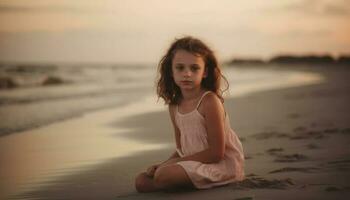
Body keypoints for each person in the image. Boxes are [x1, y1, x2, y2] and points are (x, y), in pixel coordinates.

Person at [135, 36, 245, 192]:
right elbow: (181, 149)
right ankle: (176, 181)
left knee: (164, 175)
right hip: (192, 163)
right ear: (171, 72)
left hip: (221, 165)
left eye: (194, 68)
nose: (187, 73)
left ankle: (175, 181)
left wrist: (169, 166)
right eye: (180, 68)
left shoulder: (209, 102)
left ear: (205, 72)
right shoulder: (174, 106)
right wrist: (164, 163)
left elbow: (216, 154)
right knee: (141, 181)